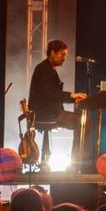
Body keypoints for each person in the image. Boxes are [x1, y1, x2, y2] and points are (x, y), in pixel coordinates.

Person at [27, 38, 87, 167]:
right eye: (62, 54)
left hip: (50, 111)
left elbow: (54, 94)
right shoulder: (42, 69)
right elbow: (48, 93)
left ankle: (79, 160)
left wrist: (74, 99)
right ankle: (77, 163)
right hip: (43, 114)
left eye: (65, 55)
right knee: (82, 121)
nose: (64, 58)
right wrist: (71, 95)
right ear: (52, 52)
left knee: (84, 120)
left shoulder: (50, 69)